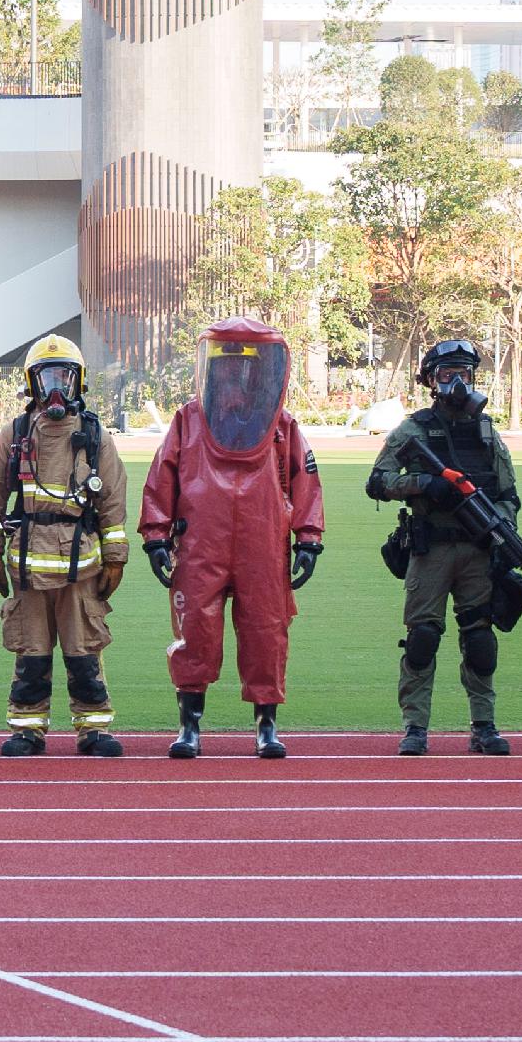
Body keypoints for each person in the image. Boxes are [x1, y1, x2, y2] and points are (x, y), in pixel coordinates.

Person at [139, 317, 324, 759]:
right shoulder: (189, 420)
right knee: (195, 633)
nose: (236, 377)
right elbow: (162, 476)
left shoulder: (282, 425)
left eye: (247, 367)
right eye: (227, 366)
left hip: (263, 542)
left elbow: (305, 480)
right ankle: (190, 727)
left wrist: (309, 537)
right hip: (202, 540)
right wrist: (156, 535)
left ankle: (266, 726)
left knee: (267, 631)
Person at [370, 338, 522, 756]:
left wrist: (501, 531)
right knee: (422, 638)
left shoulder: (488, 431)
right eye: (447, 374)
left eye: (465, 374)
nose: (457, 382)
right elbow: (378, 481)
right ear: (430, 381)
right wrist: (425, 484)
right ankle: (415, 727)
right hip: (431, 549)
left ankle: (484, 726)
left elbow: (509, 494)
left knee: (480, 640)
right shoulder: (413, 430)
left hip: (478, 551)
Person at [0, 335, 129, 758]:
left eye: (63, 377)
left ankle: (93, 728)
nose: (55, 388)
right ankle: (28, 729)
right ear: (32, 383)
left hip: (80, 565)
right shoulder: (14, 433)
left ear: (77, 382)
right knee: (31, 651)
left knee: (83, 647)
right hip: (29, 565)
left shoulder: (94, 433)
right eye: (46, 377)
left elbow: (113, 500)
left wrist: (115, 558)